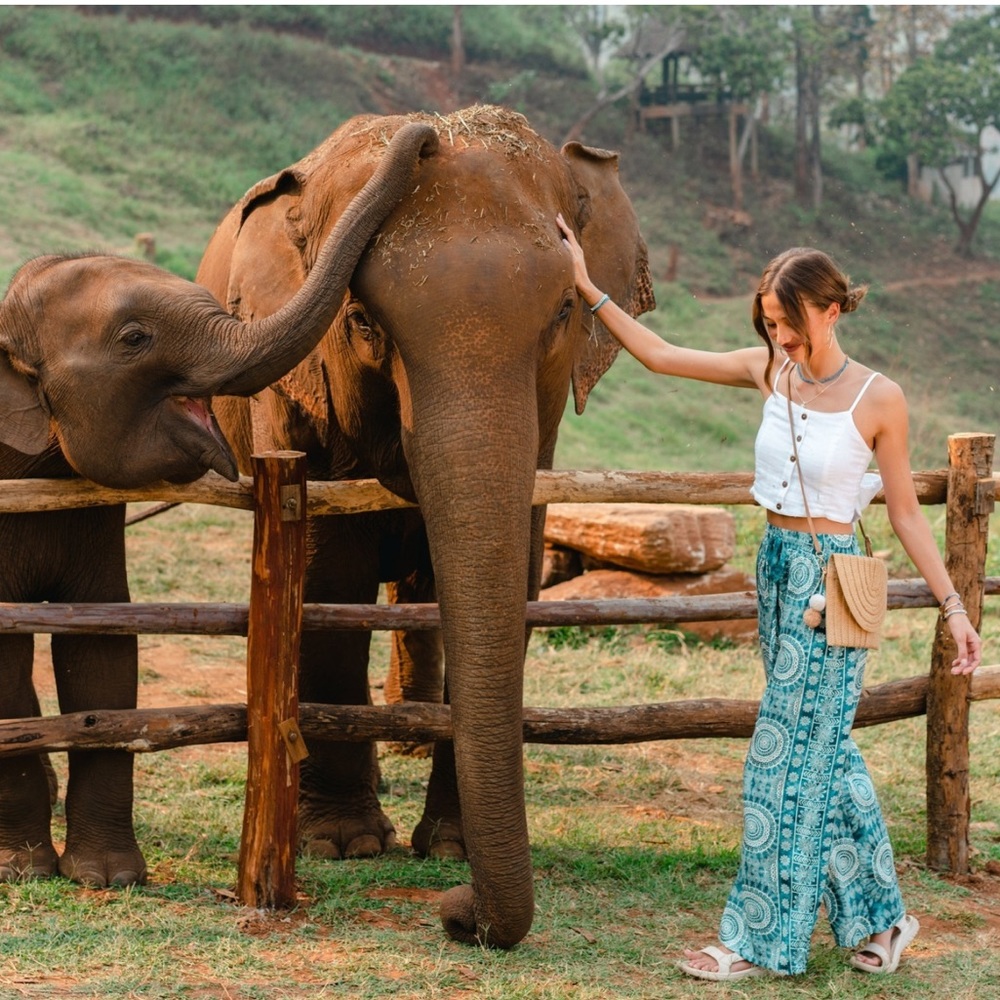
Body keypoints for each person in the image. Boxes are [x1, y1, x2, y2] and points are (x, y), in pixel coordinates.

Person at [556, 215, 982, 980]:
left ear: (832, 310)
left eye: (790, 323)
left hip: (831, 581)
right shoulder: (770, 371)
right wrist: (588, 285)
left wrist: (954, 608)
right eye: (770, 325)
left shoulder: (879, 399)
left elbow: (907, 513)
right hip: (777, 569)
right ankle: (884, 919)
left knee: (780, 759)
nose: (780, 338)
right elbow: (660, 355)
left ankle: (760, 941)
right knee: (826, 750)